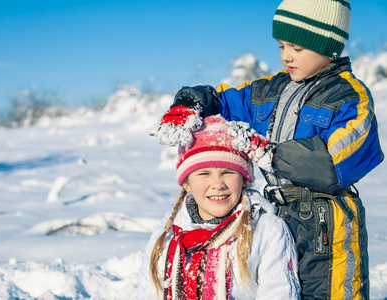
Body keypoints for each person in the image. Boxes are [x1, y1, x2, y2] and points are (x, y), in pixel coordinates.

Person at [150, 0, 384, 299]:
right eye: (281, 46)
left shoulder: (349, 96)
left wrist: (271, 154)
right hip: (277, 211)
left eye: (298, 48)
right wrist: (193, 101)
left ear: (329, 47)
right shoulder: (270, 89)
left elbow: (337, 160)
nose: (287, 55)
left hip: (326, 222)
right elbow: (226, 102)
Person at [139, 115, 301, 299]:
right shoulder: (165, 237)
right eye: (204, 173)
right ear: (186, 183)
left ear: (244, 180)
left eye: (228, 172)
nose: (217, 184)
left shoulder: (266, 230)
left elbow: (278, 293)